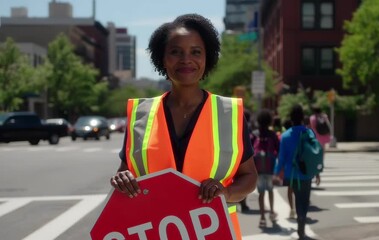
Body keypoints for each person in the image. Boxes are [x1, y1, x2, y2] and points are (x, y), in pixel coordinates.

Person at [109, 14, 258, 239]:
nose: (186, 59)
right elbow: (126, 169)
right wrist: (122, 179)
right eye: (175, 51)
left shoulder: (229, 113)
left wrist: (226, 192)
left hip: (214, 232)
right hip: (153, 231)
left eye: (196, 52)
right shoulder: (140, 114)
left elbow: (249, 177)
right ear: (162, 57)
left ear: (207, 58)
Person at [273, 104, 320, 239]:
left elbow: (281, 158)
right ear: (302, 118)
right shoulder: (310, 133)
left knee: (296, 197)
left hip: (291, 174)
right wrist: (316, 173)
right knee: (304, 201)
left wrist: (276, 174)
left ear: (291, 118)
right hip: (306, 174)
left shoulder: (285, 136)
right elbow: (313, 155)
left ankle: (298, 217)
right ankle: (301, 224)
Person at [252, 109, 280, 227]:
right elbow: (278, 150)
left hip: (258, 169)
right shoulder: (272, 134)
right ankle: (272, 212)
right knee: (270, 190)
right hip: (270, 167)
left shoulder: (254, 134)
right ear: (269, 121)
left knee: (261, 193)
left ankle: (262, 217)